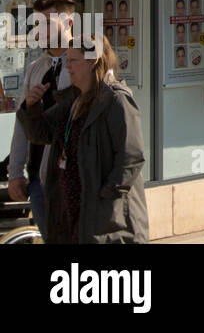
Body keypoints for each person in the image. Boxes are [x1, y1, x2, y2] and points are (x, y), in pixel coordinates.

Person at [18, 35, 148, 243]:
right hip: (70, 209)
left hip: (102, 214)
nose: (67, 67)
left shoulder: (116, 100)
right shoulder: (71, 100)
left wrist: (105, 196)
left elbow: (131, 157)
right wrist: (31, 107)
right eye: (66, 61)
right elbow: (41, 134)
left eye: (72, 61)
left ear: (91, 61)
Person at [4, 0, 77, 239]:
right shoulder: (36, 69)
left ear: (68, 22)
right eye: (37, 23)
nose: (41, 30)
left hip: (70, 176)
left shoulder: (84, 65)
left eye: (47, 22)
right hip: (38, 177)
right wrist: (15, 173)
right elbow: (22, 122)